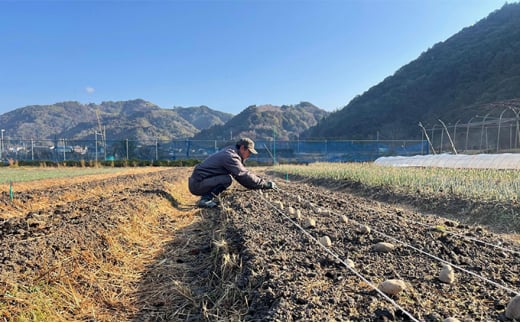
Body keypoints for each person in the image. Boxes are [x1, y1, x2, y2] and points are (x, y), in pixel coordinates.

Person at [188, 137, 277, 208]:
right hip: (197, 184)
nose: (249, 155)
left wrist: (258, 180)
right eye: (249, 152)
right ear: (242, 148)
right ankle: (205, 200)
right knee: (226, 179)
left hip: (200, 181)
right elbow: (243, 175)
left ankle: (207, 197)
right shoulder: (231, 156)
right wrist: (264, 184)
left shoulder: (231, 151)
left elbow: (243, 171)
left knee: (226, 178)